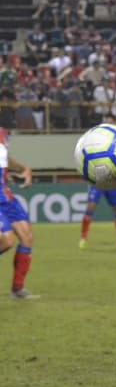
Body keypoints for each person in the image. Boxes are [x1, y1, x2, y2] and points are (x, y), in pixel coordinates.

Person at [79, 116, 116, 250]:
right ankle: (83, 239)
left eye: (110, 123)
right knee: (91, 206)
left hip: (114, 181)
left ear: (115, 124)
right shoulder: (95, 141)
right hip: (98, 179)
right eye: (106, 123)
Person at [0, 128, 39, 299]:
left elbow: (4, 159)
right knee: (7, 240)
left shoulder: (3, 133)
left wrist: (23, 169)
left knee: (26, 237)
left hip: (5, 195)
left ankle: (17, 289)